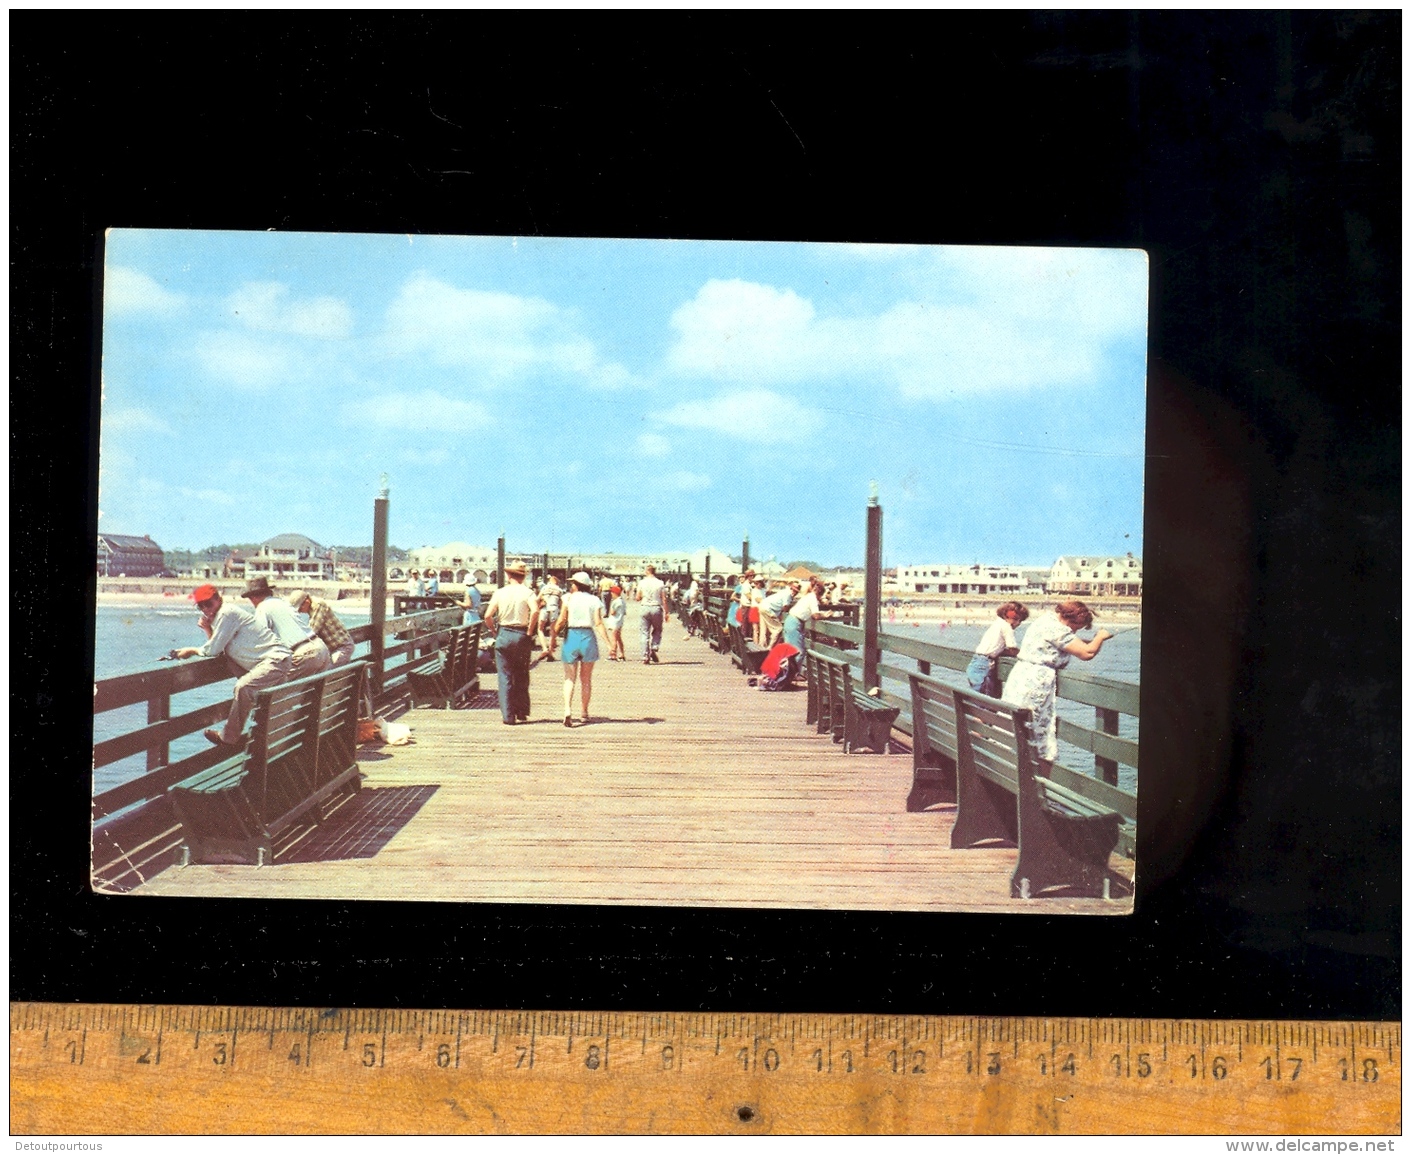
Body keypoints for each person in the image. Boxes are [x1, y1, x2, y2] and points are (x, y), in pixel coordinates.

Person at [174, 583, 293, 746]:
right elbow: (220, 647)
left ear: (218, 598)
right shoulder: (222, 616)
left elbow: (213, 649)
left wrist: (192, 650)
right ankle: (276, 746)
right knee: (274, 709)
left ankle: (228, 738)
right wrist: (208, 629)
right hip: (276, 661)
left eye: (208, 603)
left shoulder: (226, 613)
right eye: (201, 606)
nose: (205, 609)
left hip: (275, 660)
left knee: (243, 687)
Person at [1002, 600, 1114, 764]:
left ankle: (1010, 770)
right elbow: (1087, 653)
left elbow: (1068, 643)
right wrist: (1101, 637)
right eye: (1077, 627)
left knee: (1014, 726)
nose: (1074, 631)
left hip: (1020, 677)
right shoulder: (1058, 629)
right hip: (1035, 682)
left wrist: (1088, 640)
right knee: (1038, 732)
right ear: (1071, 619)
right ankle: (1038, 783)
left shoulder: (1046, 620)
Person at [482, 561, 540, 725]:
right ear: (523, 576)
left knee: (505, 675)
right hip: (522, 634)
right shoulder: (528, 593)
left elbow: (487, 615)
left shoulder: (500, 593)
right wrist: (530, 630)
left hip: (504, 633)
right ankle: (521, 711)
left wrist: (493, 631)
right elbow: (535, 611)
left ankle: (508, 716)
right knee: (522, 674)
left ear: (508, 575)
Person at [241, 577, 330, 678]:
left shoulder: (262, 608)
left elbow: (258, 639)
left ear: (253, 597)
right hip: (321, 648)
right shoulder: (283, 602)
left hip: (305, 654)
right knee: (310, 690)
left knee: (270, 682)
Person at [555, 572, 609, 726]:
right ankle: (584, 713)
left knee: (569, 678)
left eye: (572, 583)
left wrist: (552, 638)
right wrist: (609, 643)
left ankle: (567, 710)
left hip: (571, 636)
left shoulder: (567, 598)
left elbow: (561, 620)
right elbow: (598, 623)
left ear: (576, 584)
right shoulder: (595, 600)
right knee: (586, 679)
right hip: (587, 637)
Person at [966, 601, 1029, 698]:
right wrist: (1026, 654)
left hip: (976, 661)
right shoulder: (1007, 627)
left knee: (978, 695)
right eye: (1017, 619)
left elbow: (996, 648)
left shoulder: (997, 623)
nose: (1018, 623)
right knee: (986, 697)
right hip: (985, 663)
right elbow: (1012, 648)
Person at [284, 587, 355, 667]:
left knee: (328, 671)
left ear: (306, 602)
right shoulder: (311, 609)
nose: (300, 612)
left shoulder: (319, 605)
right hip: (333, 648)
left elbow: (312, 630)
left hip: (342, 647)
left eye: (300, 608)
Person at [635, 564, 668, 664]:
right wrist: (666, 612)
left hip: (644, 608)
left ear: (647, 571)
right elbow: (664, 599)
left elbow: (638, 597)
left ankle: (645, 656)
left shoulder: (642, 582)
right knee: (658, 629)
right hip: (656, 608)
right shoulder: (660, 583)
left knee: (644, 633)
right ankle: (654, 647)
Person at [758, 580, 799, 650]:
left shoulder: (784, 591)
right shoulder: (788, 594)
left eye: (796, 591)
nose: (794, 592)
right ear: (791, 588)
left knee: (764, 629)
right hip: (768, 608)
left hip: (762, 606)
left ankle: (761, 647)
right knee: (778, 629)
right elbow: (785, 607)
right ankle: (770, 648)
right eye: (793, 590)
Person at [537, 574, 563, 662]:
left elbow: (537, 599)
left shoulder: (544, 588)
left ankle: (544, 649)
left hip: (544, 608)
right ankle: (551, 652)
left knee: (540, 629)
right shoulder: (559, 590)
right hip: (554, 608)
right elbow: (561, 603)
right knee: (553, 630)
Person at [604, 584, 627, 660]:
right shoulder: (622, 601)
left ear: (615, 593)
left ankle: (613, 654)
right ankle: (622, 653)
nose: (611, 594)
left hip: (615, 622)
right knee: (618, 638)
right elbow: (624, 612)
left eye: (612, 593)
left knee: (613, 638)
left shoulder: (615, 602)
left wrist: (611, 609)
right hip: (620, 622)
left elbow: (612, 612)